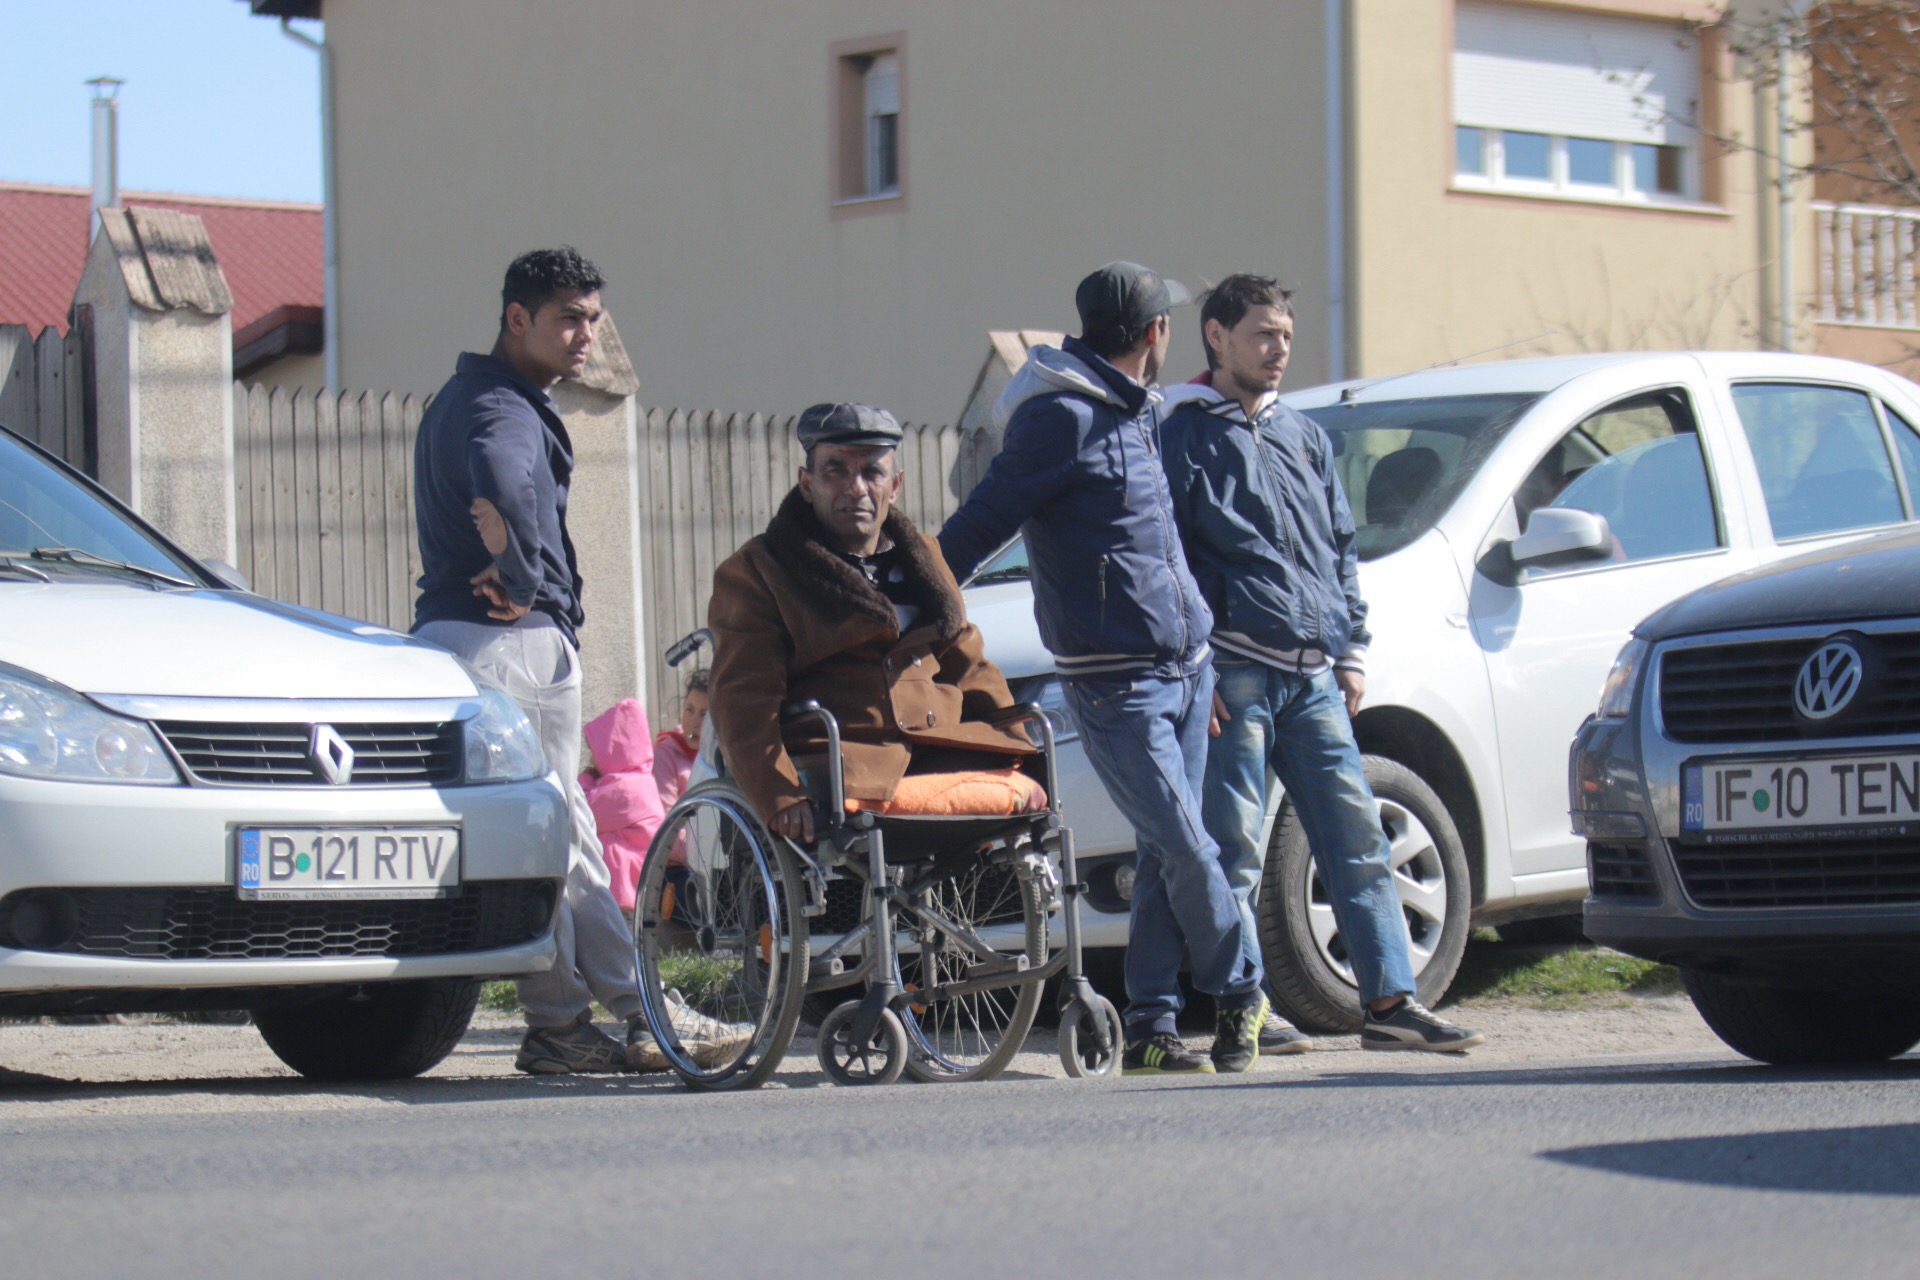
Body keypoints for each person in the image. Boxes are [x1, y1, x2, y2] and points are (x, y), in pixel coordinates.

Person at [411, 246, 744, 1074]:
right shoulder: (505, 409)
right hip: (512, 648)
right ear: (515, 318)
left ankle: (577, 1021)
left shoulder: (459, 398)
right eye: (568, 318)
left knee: (552, 838)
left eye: (592, 319)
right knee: (555, 834)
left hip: (455, 643)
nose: (584, 336)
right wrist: (524, 574)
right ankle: (633, 1013)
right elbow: (501, 470)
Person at [939, 263, 1268, 1075]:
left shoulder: (1135, 412)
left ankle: (1152, 1024)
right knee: (1189, 845)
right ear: (1155, 334)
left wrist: (1204, 654)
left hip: (1186, 668)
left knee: (1164, 849)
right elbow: (985, 519)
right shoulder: (1060, 419)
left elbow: (1156, 542)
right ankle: (1243, 986)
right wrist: (914, 590)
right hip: (1114, 680)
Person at [1158, 273, 1483, 1053]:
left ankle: (1389, 1005)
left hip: (1312, 678)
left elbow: (1339, 545)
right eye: (1263, 334)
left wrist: (1352, 649)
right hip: (1232, 671)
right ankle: (1246, 1009)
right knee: (1230, 850)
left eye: (1286, 337)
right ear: (1217, 336)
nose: (1278, 351)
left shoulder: (1303, 435)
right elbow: (1165, 557)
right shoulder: (1181, 431)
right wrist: (1193, 665)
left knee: (1356, 838)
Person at [707, 403, 1039, 843]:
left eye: (872, 473)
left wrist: (1023, 747)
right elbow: (743, 698)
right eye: (836, 471)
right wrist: (778, 794)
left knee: (1027, 793)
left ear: (895, 486)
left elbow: (969, 665)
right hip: (843, 763)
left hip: (939, 747)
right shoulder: (759, 570)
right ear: (807, 484)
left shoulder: (924, 557)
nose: (855, 488)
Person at [580, 698, 668, 922]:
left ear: (615, 750)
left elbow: (585, 812)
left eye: (595, 752)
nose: (591, 759)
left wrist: (586, 779)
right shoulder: (636, 782)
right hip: (632, 884)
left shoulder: (627, 789)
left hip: (627, 888)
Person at [652, 668, 709, 810]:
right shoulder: (665, 756)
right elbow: (668, 821)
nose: (693, 722)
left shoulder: (723, 757)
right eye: (689, 710)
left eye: (704, 714)